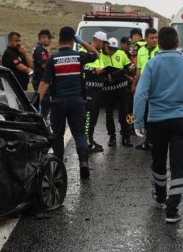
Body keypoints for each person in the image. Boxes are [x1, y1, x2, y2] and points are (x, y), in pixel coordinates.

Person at [132, 26, 183, 224]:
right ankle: (172, 209)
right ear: (177, 43)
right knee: (179, 163)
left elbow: (140, 94)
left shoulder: (152, 64)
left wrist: (138, 121)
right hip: (181, 119)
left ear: (159, 44)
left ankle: (160, 195)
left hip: (157, 120)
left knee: (158, 159)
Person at [37, 27, 101, 180]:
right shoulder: (79, 56)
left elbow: (45, 82)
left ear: (59, 40)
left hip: (58, 102)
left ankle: (58, 167)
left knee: (58, 135)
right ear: (73, 41)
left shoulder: (53, 59)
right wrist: (82, 42)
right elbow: (96, 54)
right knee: (79, 134)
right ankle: (83, 162)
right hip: (77, 101)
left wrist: (37, 102)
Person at [101, 37, 135, 147]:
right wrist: (106, 77)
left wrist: (130, 69)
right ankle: (112, 136)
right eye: (111, 49)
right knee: (109, 114)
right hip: (108, 91)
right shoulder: (100, 55)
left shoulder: (121, 53)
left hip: (122, 89)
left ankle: (126, 136)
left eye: (115, 49)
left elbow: (128, 67)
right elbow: (97, 72)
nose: (113, 51)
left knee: (125, 112)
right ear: (106, 46)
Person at [132, 28, 160, 150]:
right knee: (145, 113)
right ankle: (148, 140)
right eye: (152, 38)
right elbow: (139, 69)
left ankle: (155, 140)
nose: (155, 40)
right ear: (146, 38)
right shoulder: (141, 50)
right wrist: (134, 84)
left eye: (156, 37)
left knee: (155, 114)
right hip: (144, 86)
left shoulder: (160, 50)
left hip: (157, 86)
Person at [84, 31, 109, 152]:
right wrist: (95, 70)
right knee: (88, 117)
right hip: (89, 90)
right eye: (103, 42)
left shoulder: (101, 54)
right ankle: (87, 144)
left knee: (94, 118)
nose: (104, 45)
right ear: (97, 40)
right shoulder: (85, 51)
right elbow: (82, 67)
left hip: (99, 90)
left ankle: (90, 139)